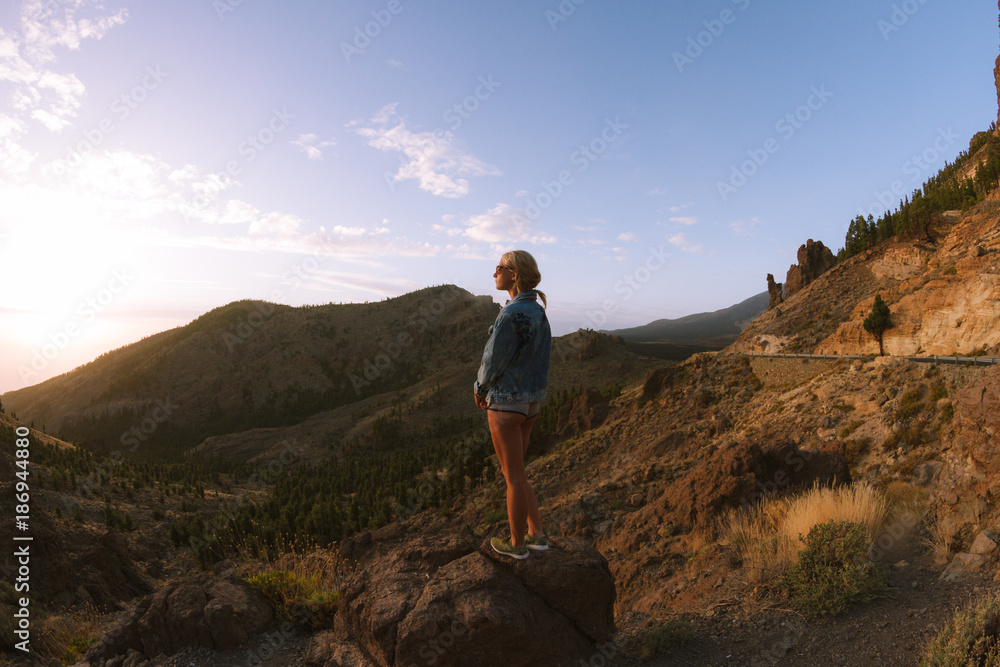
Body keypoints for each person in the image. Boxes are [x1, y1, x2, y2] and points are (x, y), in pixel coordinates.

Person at [474, 250, 552, 560]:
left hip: (506, 403)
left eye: (499, 268)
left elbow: (494, 359)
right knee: (517, 473)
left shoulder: (510, 314)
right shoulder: (539, 312)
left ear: (514, 274)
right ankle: (537, 534)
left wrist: (480, 388)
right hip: (531, 404)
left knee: (513, 477)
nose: (494, 273)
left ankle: (517, 544)